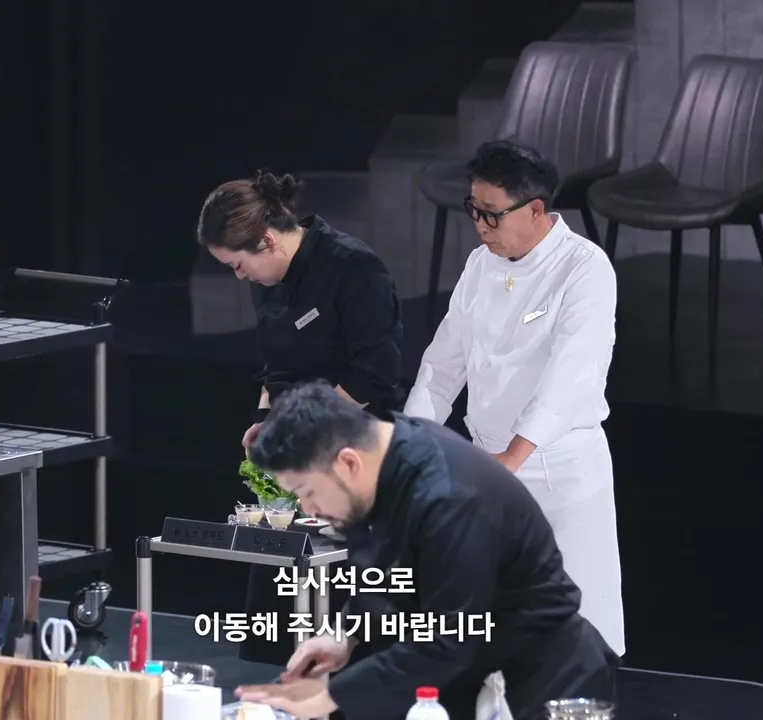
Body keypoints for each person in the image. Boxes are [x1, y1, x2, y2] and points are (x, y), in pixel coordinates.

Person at [234, 382, 618, 720]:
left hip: (546, 677)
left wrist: (329, 696)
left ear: (347, 462)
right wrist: (345, 634)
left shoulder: (450, 496)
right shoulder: (387, 458)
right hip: (476, 671)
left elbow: (448, 639)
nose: (310, 509)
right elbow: (387, 573)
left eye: (307, 492)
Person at [403, 140, 625, 656]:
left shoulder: (584, 268)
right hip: (489, 468)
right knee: (490, 633)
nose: (480, 226)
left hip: (557, 471)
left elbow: (571, 377)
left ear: (535, 209)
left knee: (572, 634)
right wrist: (414, 443)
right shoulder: (480, 264)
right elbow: (442, 366)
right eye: (473, 210)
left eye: (492, 214)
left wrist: (513, 457)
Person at [197, 169, 404, 664]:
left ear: (268, 241)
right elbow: (277, 368)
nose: (239, 276)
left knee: (341, 621)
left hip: (352, 451)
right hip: (295, 454)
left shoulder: (353, 267)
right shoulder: (267, 280)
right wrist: (267, 421)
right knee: (279, 615)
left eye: (238, 264)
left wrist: (310, 429)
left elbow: (376, 372)